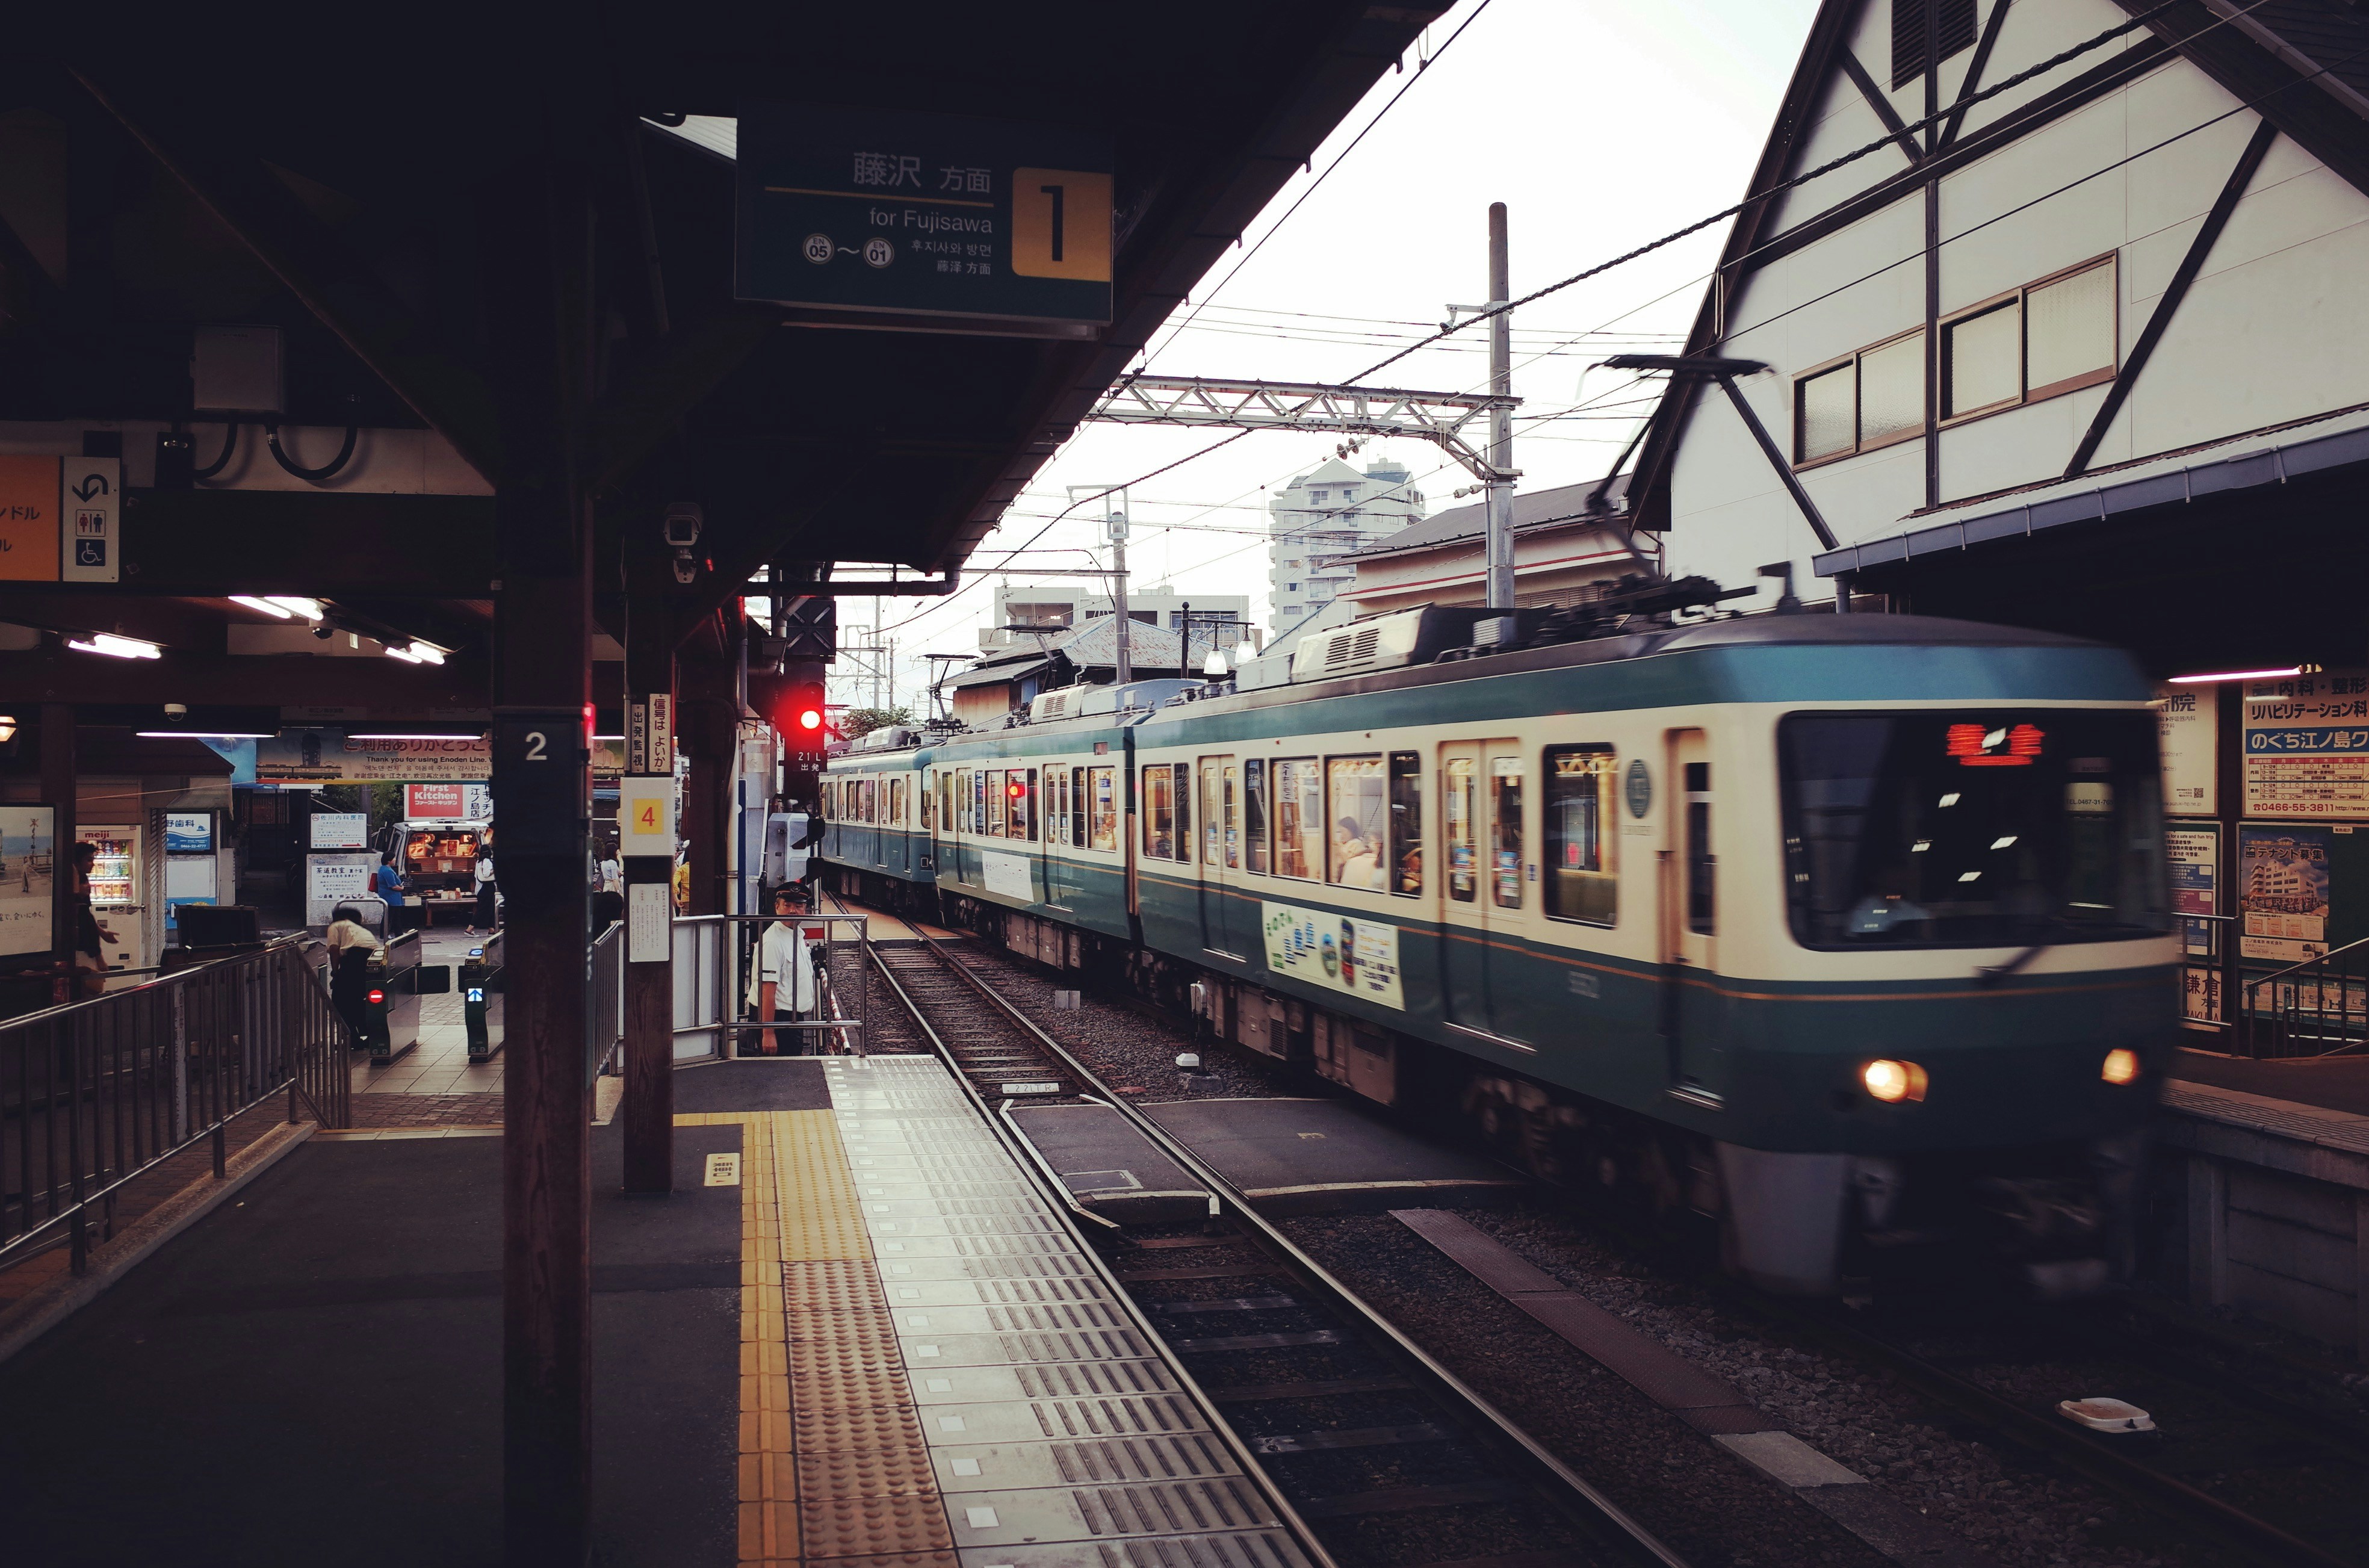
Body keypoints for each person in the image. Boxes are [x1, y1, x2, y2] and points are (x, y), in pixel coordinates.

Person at [749, 885, 820, 1056]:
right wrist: (768, 1033)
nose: (793, 911)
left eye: (799, 906)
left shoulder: (795, 935)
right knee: (779, 1074)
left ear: (806, 909)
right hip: (777, 1020)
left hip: (790, 1019)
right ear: (777, 907)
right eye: (787, 905)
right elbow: (767, 990)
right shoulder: (773, 942)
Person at [323, 902, 382, 1040]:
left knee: (339, 999)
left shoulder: (336, 926)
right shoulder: (361, 929)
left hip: (354, 959)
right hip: (373, 961)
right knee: (358, 998)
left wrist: (336, 972)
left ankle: (352, 1037)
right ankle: (364, 1032)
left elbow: (334, 949)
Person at [69, 841, 111, 998]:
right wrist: (99, 957)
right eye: (88, 860)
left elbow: (86, 915)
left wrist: (102, 933)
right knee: (88, 992)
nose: (92, 864)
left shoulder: (82, 878)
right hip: (82, 950)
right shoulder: (71, 883)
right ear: (76, 861)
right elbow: (82, 919)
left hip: (87, 950)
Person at [1333, 816, 1383, 890]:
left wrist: (1339, 849)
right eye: (1340, 832)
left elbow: (1348, 862)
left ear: (1350, 831)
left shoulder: (1357, 844)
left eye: (1343, 832)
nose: (1341, 835)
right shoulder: (1346, 844)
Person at [372, 852, 409, 937]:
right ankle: (385, 934)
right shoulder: (387, 871)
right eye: (394, 858)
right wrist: (402, 888)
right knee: (390, 916)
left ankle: (397, 933)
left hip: (391, 897)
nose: (395, 860)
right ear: (389, 860)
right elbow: (393, 886)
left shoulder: (385, 869)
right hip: (391, 897)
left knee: (394, 916)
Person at [469, 838, 498, 935]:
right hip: (487, 888)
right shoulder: (488, 862)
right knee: (482, 909)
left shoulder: (478, 862)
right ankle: (469, 929)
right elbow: (486, 874)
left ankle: (491, 929)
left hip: (480, 888)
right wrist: (495, 869)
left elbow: (476, 875)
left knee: (489, 909)